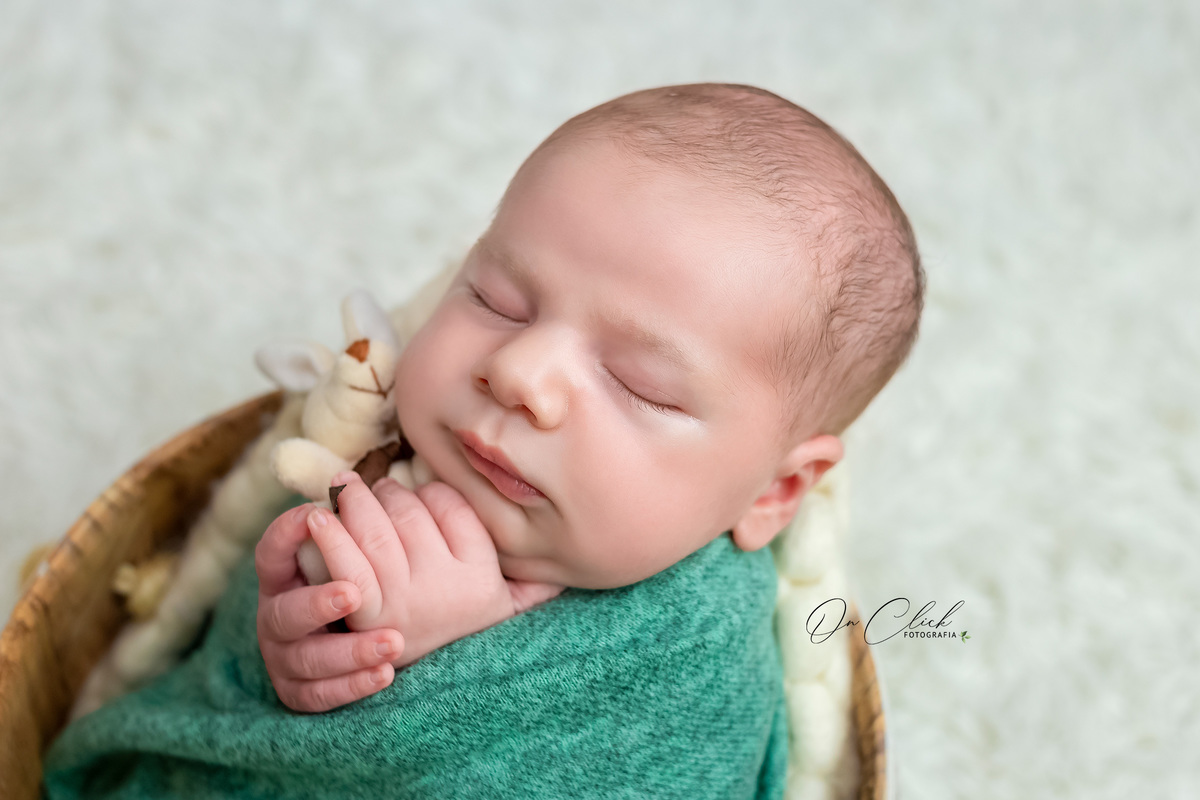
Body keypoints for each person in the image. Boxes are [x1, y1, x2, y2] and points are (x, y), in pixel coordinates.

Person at [44, 83, 923, 799]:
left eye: (637, 384)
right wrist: (290, 640)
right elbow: (225, 694)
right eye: (498, 300)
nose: (519, 373)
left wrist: (437, 681)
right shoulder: (370, 452)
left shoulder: (695, 655)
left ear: (770, 494)